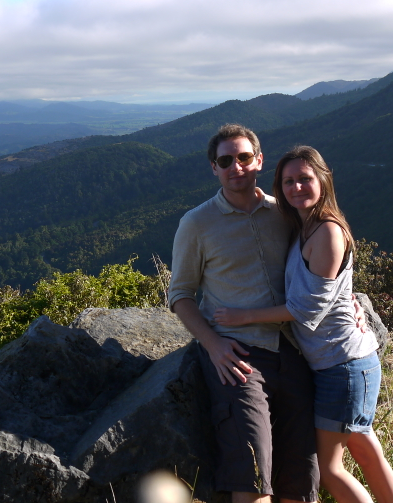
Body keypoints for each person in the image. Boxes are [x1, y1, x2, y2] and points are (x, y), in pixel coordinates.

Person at [213, 146, 393, 503]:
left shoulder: (327, 233)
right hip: (339, 362)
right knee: (363, 445)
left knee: (331, 469)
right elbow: (333, 289)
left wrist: (243, 316)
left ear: (323, 180)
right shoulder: (302, 225)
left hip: (343, 366)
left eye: (305, 179)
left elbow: (306, 309)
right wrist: (354, 302)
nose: (296, 187)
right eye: (288, 181)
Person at [168, 124, 319, 503]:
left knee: (302, 476)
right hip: (238, 357)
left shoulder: (284, 213)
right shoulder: (197, 224)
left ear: (259, 160)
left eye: (244, 157)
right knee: (252, 474)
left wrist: (345, 299)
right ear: (213, 168)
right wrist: (213, 344)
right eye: (225, 160)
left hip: (293, 350)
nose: (236, 166)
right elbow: (180, 295)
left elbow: (321, 261)